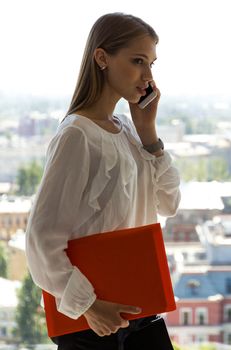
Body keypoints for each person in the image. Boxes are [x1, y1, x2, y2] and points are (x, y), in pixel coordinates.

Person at [25, 12, 181, 350]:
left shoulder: (127, 129)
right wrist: (89, 306)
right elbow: (41, 238)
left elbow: (168, 204)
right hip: (92, 322)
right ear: (102, 58)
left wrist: (148, 132)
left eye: (152, 64)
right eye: (138, 61)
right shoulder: (77, 135)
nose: (147, 76)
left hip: (141, 310)